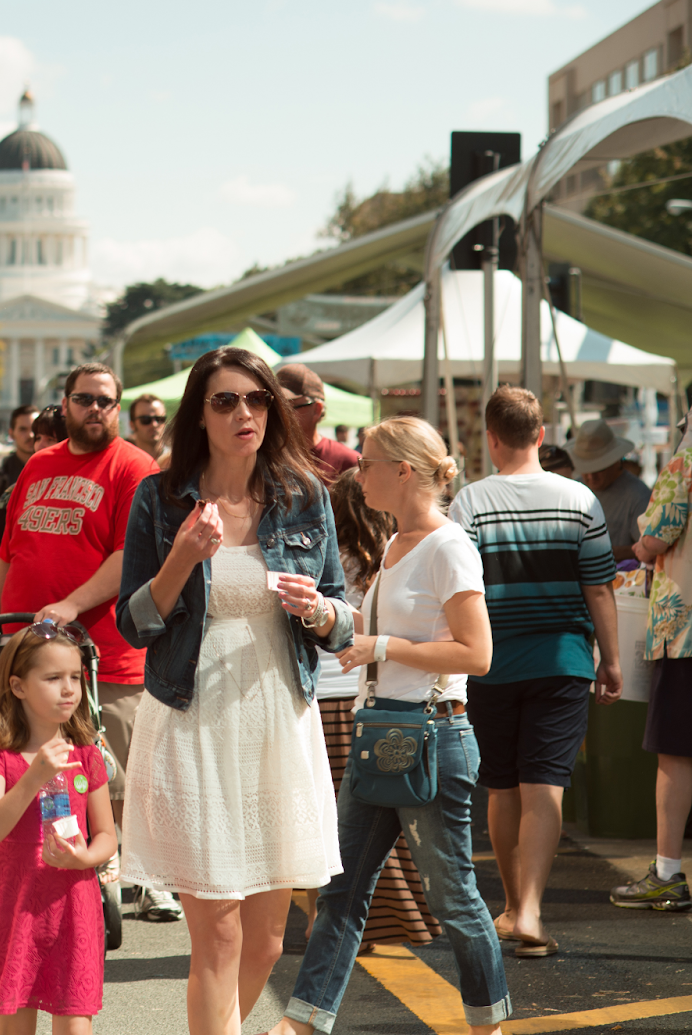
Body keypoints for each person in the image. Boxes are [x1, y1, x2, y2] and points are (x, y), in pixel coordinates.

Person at [115, 346, 349, 1035]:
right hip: (194, 717)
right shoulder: (160, 500)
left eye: (256, 399)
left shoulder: (305, 496)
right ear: (201, 414)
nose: (244, 412)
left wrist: (322, 612)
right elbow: (135, 624)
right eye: (226, 401)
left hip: (278, 718)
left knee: (269, 941)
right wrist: (183, 555)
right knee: (217, 934)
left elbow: (339, 618)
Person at [265, 416, 509, 1035]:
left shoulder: (449, 546)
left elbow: (476, 654)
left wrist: (381, 646)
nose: (357, 473)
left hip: (432, 736)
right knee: (341, 892)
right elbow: (378, 637)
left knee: (453, 897)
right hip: (386, 733)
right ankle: (304, 1021)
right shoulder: (398, 542)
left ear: (403, 471)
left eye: (367, 462)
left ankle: (488, 1023)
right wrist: (325, 612)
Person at [0, 364, 168, 918]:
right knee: (35, 767)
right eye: (85, 400)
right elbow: (12, 553)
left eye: (107, 402)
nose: (96, 410)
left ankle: (141, 874)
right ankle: (54, 869)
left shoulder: (134, 467)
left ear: (119, 407)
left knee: (116, 774)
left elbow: (128, 558)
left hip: (103, 655)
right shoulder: (38, 464)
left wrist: (71, 605)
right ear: (65, 405)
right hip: (23, 651)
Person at [449, 386, 622, 958]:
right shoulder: (579, 499)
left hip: (490, 662)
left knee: (501, 784)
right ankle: (530, 909)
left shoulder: (469, 503)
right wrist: (611, 659)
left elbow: (461, 589)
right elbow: (598, 585)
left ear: (492, 439)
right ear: (542, 436)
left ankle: (509, 905)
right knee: (544, 782)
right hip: (563, 660)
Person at [0, 623, 117, 1030]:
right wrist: (33, 776)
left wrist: (85, 858)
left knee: (76, 1018)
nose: (69, 688)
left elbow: (107, 835)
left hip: (74, 900)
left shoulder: (88, 754)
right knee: (18, 1019)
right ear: (18, 687)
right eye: (53, 678)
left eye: (75, 677)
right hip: (17, 902)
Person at [307, 470, 442, 952]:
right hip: (370, 701)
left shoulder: (329, 560)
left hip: (323, 700)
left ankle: (325, 919)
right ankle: (389, 920)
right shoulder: (388, 558)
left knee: (330, 825)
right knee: (384, 826)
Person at [611, 423, 692, 911]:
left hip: (684, 626)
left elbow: (660, 527)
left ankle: (666, 871)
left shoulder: (687, 457)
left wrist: (642, 546)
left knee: (676, 752)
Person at [0, 407, 62, 606]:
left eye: (51, 438)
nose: (35, 441)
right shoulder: (6, 484)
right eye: (38, 436)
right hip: (19, 613)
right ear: (11, 432)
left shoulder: (92, 490)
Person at [567, 419, 652, 562]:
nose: (591, 476)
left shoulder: (637, 495)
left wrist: (606, 553)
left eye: (599, 468)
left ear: (615, 462)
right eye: (585, 469)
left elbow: (648, 548)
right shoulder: (573, 490)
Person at [276, 363, 359, 484]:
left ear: (317, 410)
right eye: (276, 406)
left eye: (288, 407)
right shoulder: (264, 458)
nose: (279, 414)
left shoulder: (348, 462)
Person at [128, 394, 167, 464]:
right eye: (145, 420)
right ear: (132, 425)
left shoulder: (177, 460)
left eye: (160, 419)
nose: (154, 424)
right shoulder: (125, 462)